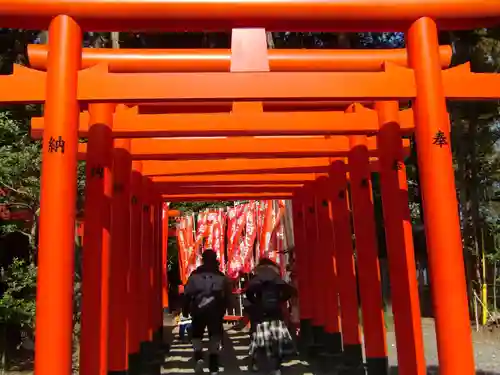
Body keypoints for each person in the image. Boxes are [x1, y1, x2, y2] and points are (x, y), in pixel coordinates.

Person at [183, 249, 232, 375]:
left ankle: (199, 356)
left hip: (198, 309)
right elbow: (227, 295)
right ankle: (213, 365)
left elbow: (187, 294)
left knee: (197, 335)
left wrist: (185, 309)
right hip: (215, 310)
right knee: (214, 336)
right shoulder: (221, 277)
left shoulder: (194, 275)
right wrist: (226, 308)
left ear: (203, 259)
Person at [245, 258, 295, 375]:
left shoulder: (256, 278)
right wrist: (281, 300)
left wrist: (255, 302)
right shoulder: (276, 277)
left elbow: (249, 293)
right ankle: (276, 367)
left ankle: (256, 362)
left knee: (257, 338)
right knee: (277, 340)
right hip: (275, 313)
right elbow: (289, 290)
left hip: (260, 314)